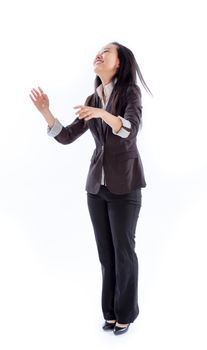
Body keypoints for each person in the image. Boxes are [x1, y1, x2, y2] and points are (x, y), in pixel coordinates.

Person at [29, 42, 152, 335]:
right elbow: (67, 136)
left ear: (119, 63)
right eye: (98, 51)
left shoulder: (129, 93)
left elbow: (129, 130)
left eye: (106, 51)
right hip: (96, 187)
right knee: (105, 255)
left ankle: (126, 314)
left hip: (125, 184)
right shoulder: (92, 99)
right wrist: (46, 112)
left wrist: (102, 115)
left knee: (124, 252)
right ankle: (109, 313)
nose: (99, 54)